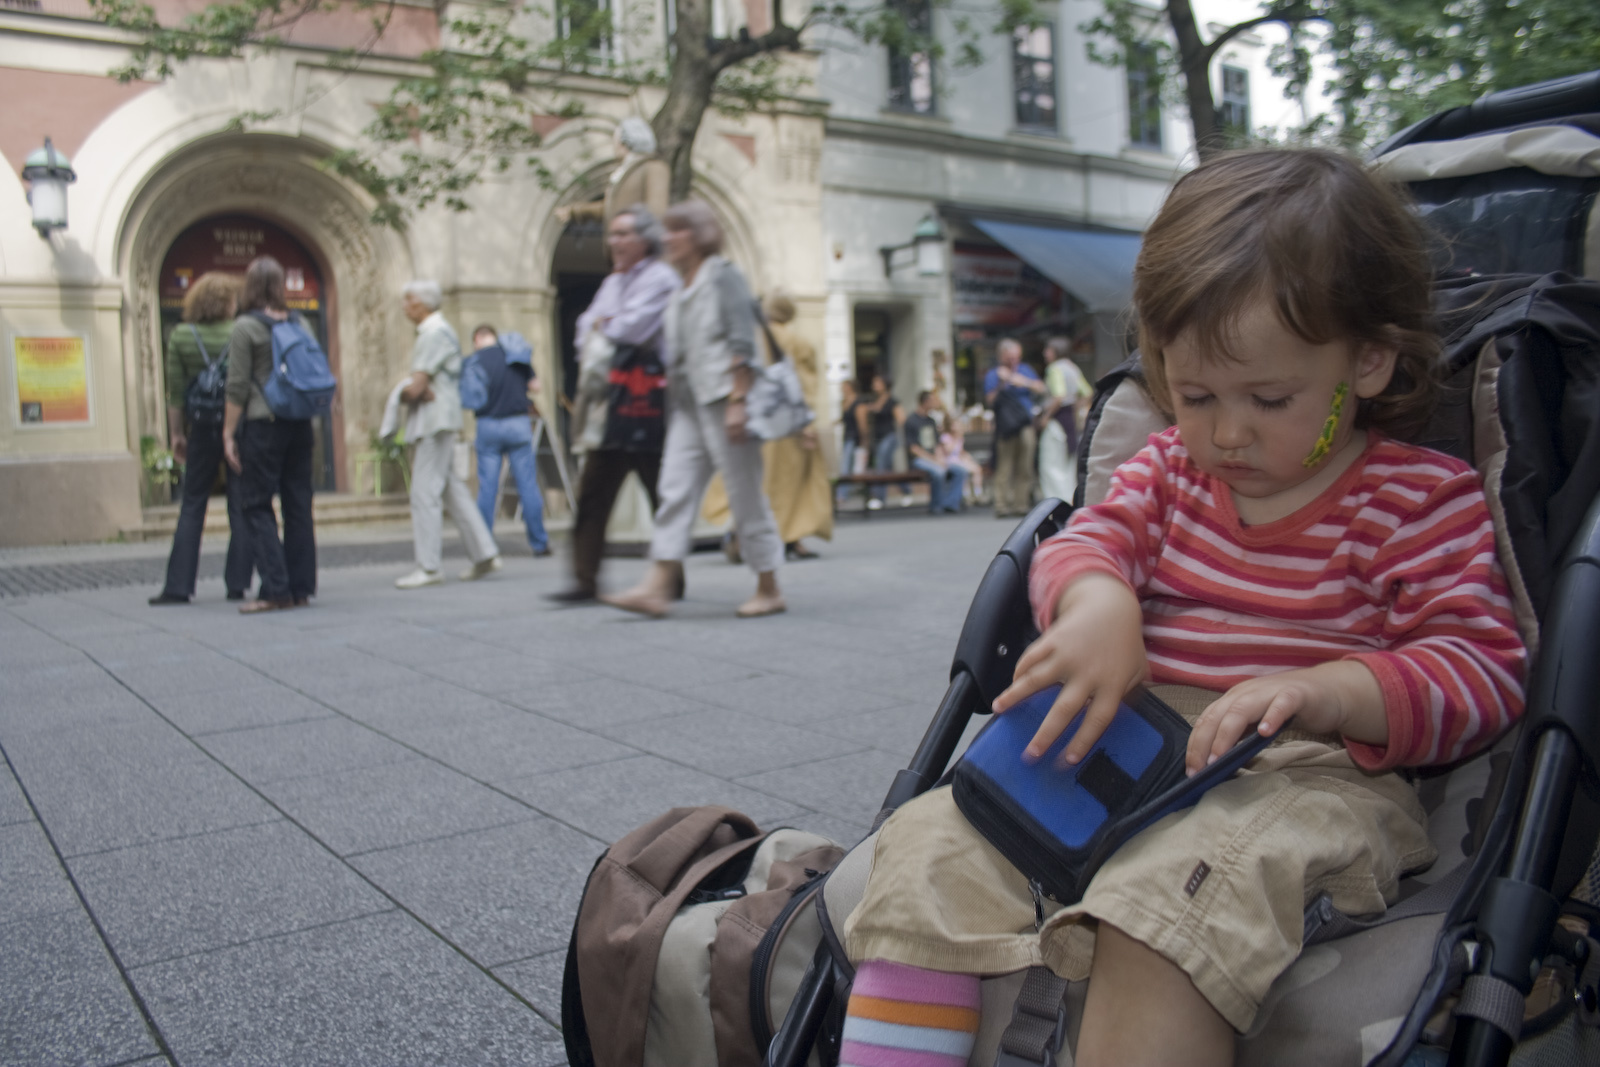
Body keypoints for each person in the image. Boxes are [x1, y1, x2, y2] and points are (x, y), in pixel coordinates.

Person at [837, 149, 1528, 1067]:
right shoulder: (1170, 469)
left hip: (1304, 771)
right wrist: (1096, 605)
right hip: (1130, 746)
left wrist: (1333, 687)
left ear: (1367, 360)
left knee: (1167, 905)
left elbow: (1480, 668)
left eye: (1269, 398)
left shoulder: (1413, 498)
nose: (1226, 431)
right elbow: (1085, 542)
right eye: (1193, 394)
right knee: (926, 849)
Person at [605, 199, 784, 619]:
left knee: (744, 497)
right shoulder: (681, 284)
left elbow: (742, 340)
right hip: (688, 405)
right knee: (674, 491)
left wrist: (739, 401)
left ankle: (769, 585)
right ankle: (656, 586)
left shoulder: (723, 277)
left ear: (700, 234)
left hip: (724, 400)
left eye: (677, 230)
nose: (667, 238)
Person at [548, 205, 680, 603]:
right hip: (610, 402)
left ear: (645, 240)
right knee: (593, 492)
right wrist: (602, 327)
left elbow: (631, 328)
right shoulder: (613, 282)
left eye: (623, 234)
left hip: (647, 399)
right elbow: (583, 330)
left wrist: (604, 326)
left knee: (662, 494)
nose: (614, 242)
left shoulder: (661, 278)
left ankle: (672, 578)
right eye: (612, 234)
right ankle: (584, 579)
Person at [149, 271, 254, 605]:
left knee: (192, 505)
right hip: (238, 427)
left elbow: (176, 393)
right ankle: (237, 584)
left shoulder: (180, 335)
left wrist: (177, 434)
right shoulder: (241, 330)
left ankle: (178, 586)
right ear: (227, 302)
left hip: (201, 426)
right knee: (241, 504)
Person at [222, 256, 317, 614]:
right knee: (298, 505)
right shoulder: (300, 322)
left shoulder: (246, 326)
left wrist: (229, 433)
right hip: (300, 423)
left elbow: (237, 386)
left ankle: (275, 589)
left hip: (264, 424)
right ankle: (301, 587)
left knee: (257, 504)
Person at [393, 281, 501, 590]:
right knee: (451, 488)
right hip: (443, 417)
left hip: (435, 420)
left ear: (423, 304)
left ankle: (428, 567)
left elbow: (416, 386)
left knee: (424, 492)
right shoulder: (441, 331)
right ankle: (484, 553)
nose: (404, 306)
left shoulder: (432, 333)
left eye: (408, 300)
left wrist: (399, 394)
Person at [467, 324, 550, 559]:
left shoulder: (475, 361)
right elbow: (536, 386)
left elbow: (468, 395)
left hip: (488, 425)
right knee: (528, 485)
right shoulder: (516, 354)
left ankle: (484, 547)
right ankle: (539, 543)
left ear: (478, 339)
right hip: (517, 424)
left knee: (487, 489)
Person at [985, 338, 1047, 518]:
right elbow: (990, 400)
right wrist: (1002, 382)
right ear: (1001, 356)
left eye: (1017, 357)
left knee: (1025, 464)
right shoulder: (993, 374)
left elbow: (1041, 388)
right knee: (1004, 465)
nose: (1014, 361)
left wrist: (1022, 381)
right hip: (1005, 425)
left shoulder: (1024, 370)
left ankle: (1021, 504)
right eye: (1010, 357)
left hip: (1025, 423)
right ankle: (1001, 505)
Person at [1037, 336, 1090, 505]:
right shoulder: (1072, 368)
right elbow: (1087, 392)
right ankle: (1069, 499)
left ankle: (1054, 502)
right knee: (1068, 462)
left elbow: (1059, 396)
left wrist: (1046, 416)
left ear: (1055, 351)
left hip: (1057, 419)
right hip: (1070, 420)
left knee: (1051, 463)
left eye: (1048, 350)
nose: (1045, 354)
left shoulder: (1054, 369)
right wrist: (1076, 408)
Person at [904, 390, 965, 513]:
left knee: (960, 471)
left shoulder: (931, 421)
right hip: (919, 460)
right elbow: (913, 449)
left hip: (935, 458)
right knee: (939, 472)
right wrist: (933, 460)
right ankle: (936, 506)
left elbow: (937, 444)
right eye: (933, 400)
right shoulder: (911, 421)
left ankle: (950, 503)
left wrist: (940, 458)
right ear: (925, 402)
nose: (935, 403)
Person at [856, 372, 907, 509]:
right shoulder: (873, 400)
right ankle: (906, 491)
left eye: (877, 382)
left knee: (880, 464)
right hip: (877, 438)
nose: (874, 385)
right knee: (888, 469)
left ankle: (879, 497)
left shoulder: (892, 401)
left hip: (890, 437)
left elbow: (902, 420)